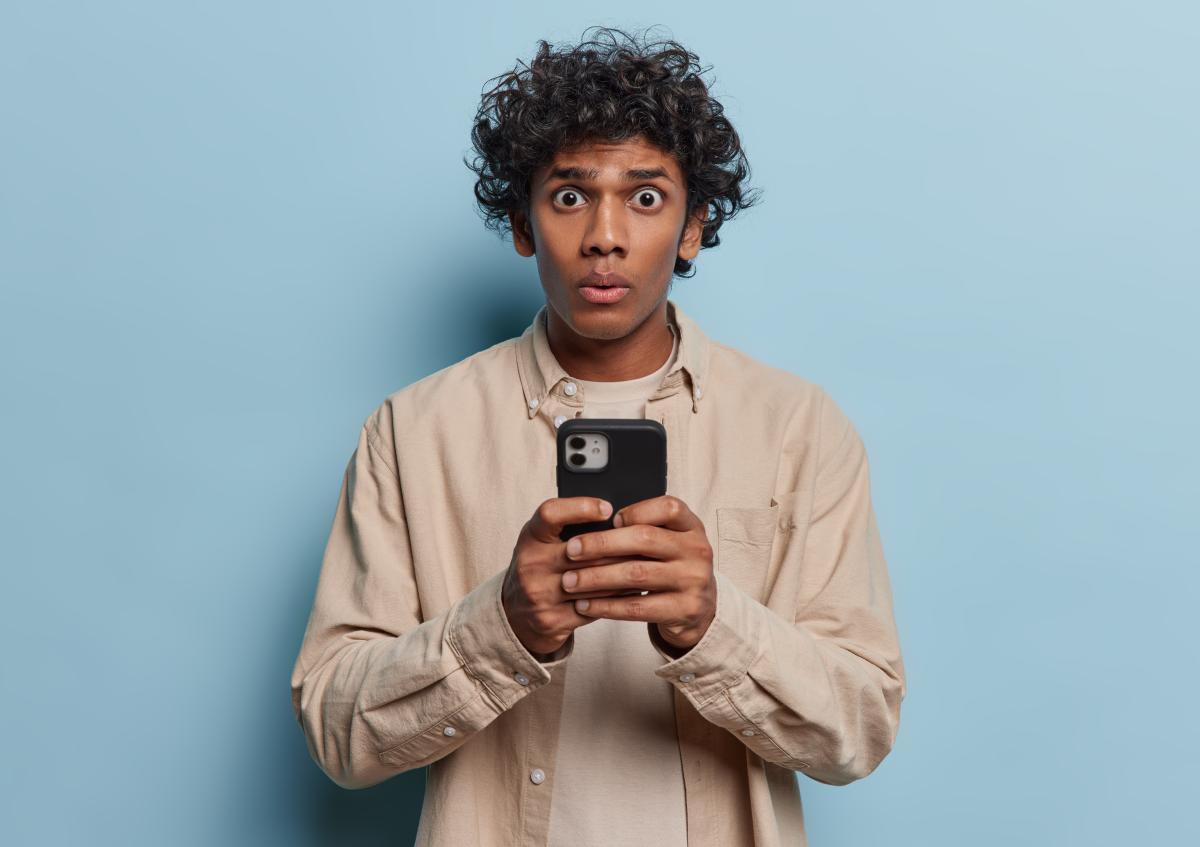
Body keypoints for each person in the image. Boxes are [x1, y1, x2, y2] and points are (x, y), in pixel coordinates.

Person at [290, 25, 906, 847]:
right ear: (521, 223)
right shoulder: (413, 431)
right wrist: (499, 625)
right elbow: (338, 732)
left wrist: (715, 624)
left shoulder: (798, 426)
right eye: (570, 196)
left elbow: (859, 729)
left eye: (646, 197)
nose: (605, 235)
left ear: (693, 227)